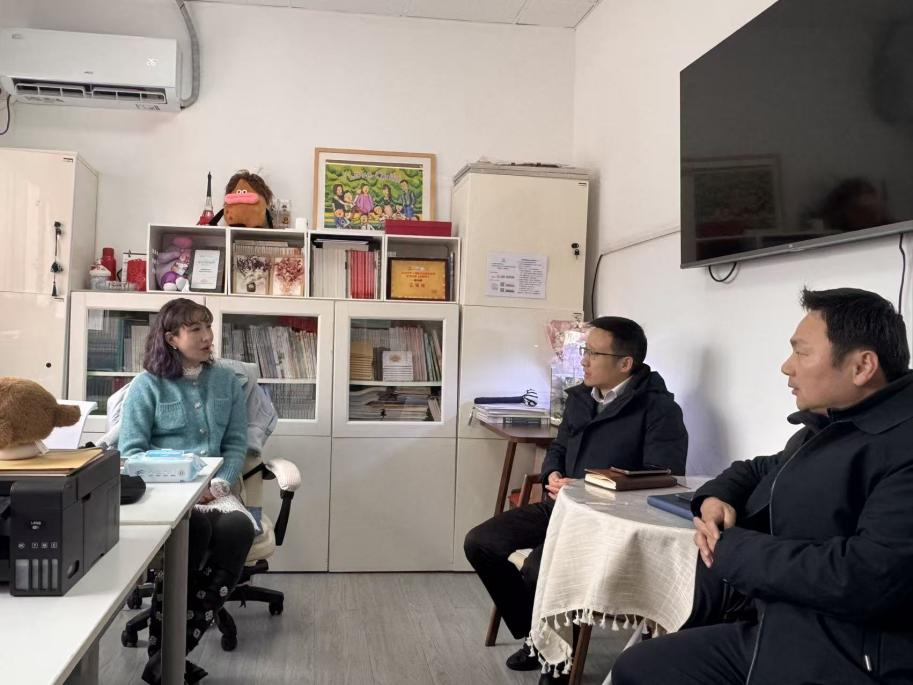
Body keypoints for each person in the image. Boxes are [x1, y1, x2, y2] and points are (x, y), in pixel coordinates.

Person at [612, 287, 913, 685]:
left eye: (801, 352)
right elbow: (757, 469)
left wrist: (732, 549)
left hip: (852, 654)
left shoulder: (901, 444)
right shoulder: (831, 426)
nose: (787, 367)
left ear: (862, 366)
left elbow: (866, 576)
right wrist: (714, 498)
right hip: (787, 622)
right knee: (639, 664)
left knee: (644, 668)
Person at [464, 317, 688, 684]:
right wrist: (552, 473)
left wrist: (588, 486)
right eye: (584, 351)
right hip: (563, 506)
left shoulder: (659, 410)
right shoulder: (582, 397)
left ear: (625, 363)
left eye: (593, 353)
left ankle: (557, 660)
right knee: (481, 543)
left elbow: (662, 477)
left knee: (538, 568)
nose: (583, 360)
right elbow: (559, 447)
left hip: (607, 520)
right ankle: (536, 637)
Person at [119, 298, 256, 685]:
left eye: (208, 326)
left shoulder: (227, 381)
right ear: (172, 338)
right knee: (193, 531)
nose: (208, 336)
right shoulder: (147, 386)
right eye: (195, 329)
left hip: (217, 489)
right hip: (168, 494)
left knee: (239, 529)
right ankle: (168, 660)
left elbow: (235, 444)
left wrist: (218, 483)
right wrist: (185, 483)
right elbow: (132, 453)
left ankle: (166, 658)